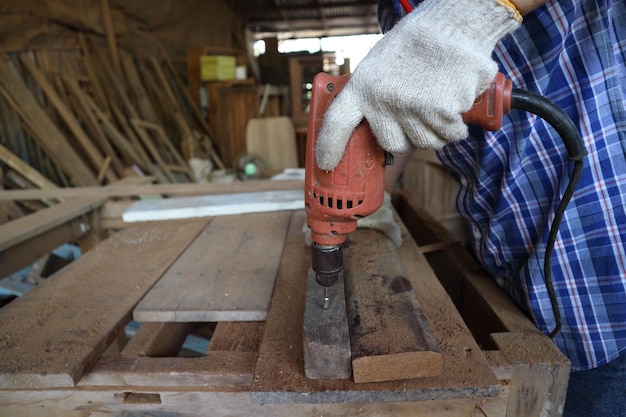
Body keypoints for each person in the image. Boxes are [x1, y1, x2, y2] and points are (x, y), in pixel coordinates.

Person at [314, 0, 626, 415]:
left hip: (603, 284)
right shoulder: (395, 8)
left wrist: (474, 12)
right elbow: (401, 110)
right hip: (510, 268)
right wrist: (363, 201)